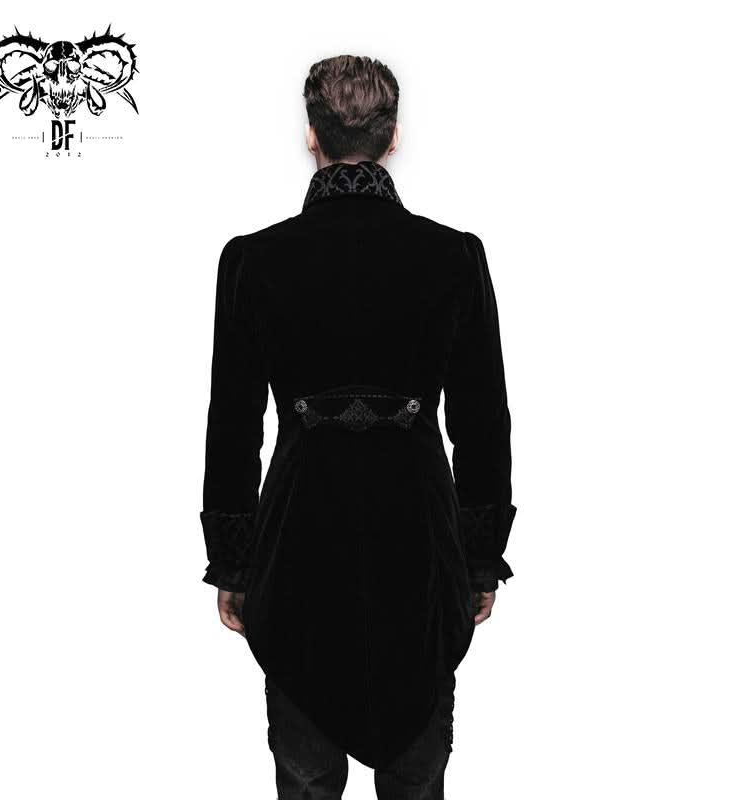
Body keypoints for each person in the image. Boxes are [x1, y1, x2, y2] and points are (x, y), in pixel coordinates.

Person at [199, 54, 518, 800]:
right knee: (415, 776)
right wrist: (479, 559)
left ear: (310, 134)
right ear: (393, 135)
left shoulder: (253, 261)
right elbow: (482, 423)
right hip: (419, 542)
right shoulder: (453, 257)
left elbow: (233, 426)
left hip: (300, 543)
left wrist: (233, 564)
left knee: (307, 775)